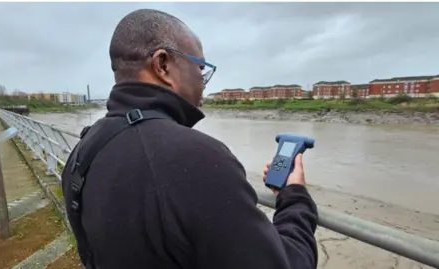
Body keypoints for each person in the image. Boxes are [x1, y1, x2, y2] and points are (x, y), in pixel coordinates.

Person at [61, 8, 318, 269]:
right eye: (200, 67)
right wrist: (294, 197)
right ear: (163, 65)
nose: (203, 80)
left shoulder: (85, 148)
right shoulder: (195, 158)